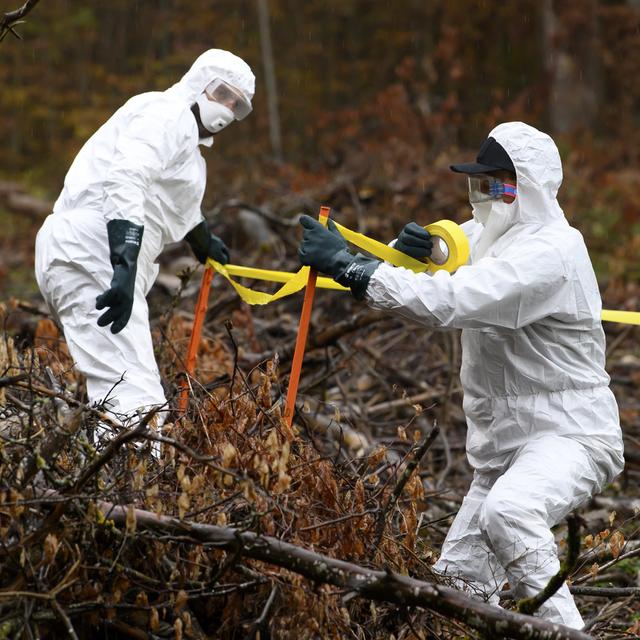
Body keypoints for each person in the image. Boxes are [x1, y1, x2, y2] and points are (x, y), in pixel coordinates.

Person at [297, 121, 624, 628]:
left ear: (527, 187)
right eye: (477, 185)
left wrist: (352, 269)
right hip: (500, 455)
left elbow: (454, 299)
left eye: (496, 185)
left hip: (571, 435)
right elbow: (457, 250)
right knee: (454, 596)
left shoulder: (551, 252)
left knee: (511, 514)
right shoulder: (495, 234)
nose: (483, 198)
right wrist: (416, 250)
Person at [34, 49, 255, 431]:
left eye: (237, 105)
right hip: (94, 250)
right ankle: (126, 488)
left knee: (117, 387)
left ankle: (95, 479)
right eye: (222, 94)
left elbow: (174, 204)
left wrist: (202, 239)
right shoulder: (166, 114)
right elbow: (127, 179)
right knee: (136, 400)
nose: (226, 110)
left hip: (90, 254)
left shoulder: (188, 150)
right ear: (198, 83)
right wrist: (122, 263)